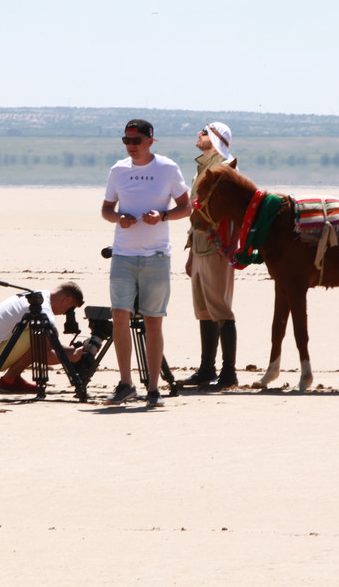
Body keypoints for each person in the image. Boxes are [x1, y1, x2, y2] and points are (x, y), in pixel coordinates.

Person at [101, 119, 190, 407]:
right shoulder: (118, 170)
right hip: (124, 254)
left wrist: (162, 216)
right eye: (126, 141)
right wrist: (119, 219)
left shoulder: (167, 168)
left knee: (153, 320)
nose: (131, 146)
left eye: (136, 141)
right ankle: (125, 383)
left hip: (156, 255)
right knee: (120, 317)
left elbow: (186, 207)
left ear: (151, 141)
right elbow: (106, 209)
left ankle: (153, 388)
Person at [183, 122, 240, 389]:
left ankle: (229, 373)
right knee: (204, 311)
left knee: (220, 309)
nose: (198, 135)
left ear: (214, 138)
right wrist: (191, 251)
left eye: (203, 132)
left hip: (217, 246)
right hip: (200, 245)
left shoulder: (225, 169)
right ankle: (207, 369)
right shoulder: (205, 166)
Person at [0, 283, 85, 393]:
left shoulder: (39, 295)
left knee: (43, 334)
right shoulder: (42, 309)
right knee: (42, 335)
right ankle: (9, 381)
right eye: (70, 308)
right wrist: (72, 357)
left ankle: (12, 378)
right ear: (67, 300)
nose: (66, 313)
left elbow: (49, 346)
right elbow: (44, 355)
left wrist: (72, 350)